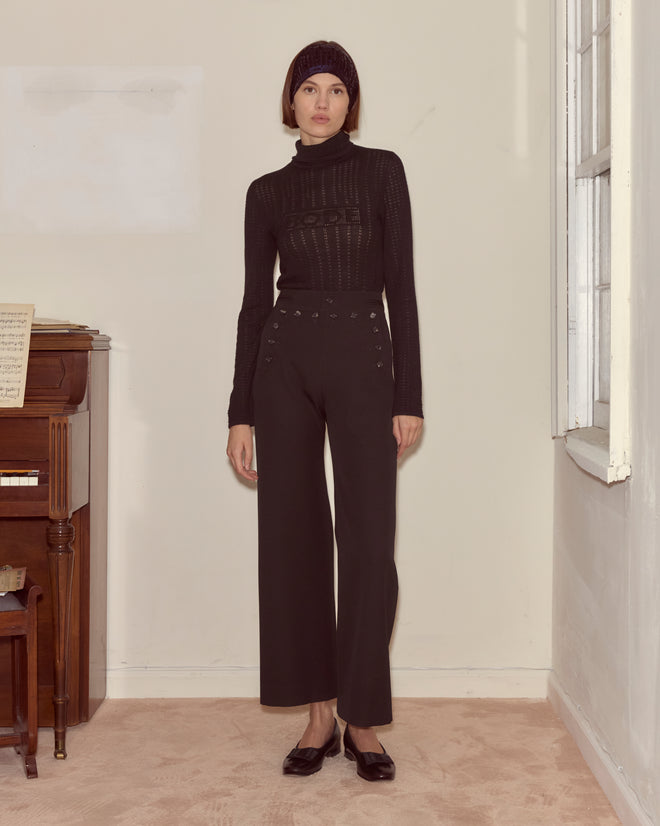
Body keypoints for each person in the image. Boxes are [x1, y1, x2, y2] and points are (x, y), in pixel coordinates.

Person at [227, 40, 423, 782]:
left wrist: (410, 396)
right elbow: (253, 307)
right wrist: (239, 410)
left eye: (336, 89)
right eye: (309, 87)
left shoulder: (382, 172)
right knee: (293, 542)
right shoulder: (266, 193)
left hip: (365, 365)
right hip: (285, 366)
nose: (321, 101)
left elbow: (400, 289)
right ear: (290, 100)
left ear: (351, 103)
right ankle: (318, 713)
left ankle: (363, 717)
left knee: (369, 544)